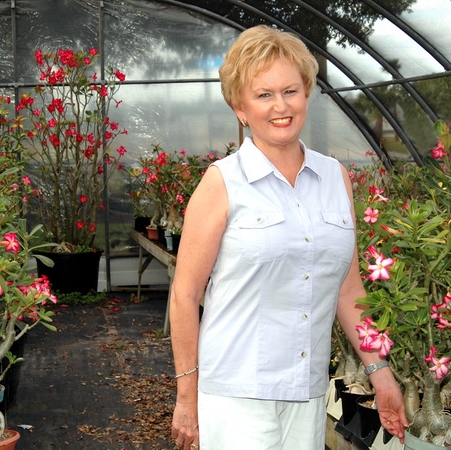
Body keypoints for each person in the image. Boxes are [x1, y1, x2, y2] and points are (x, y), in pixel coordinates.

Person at [169, 25, 408, 450]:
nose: (280, 106)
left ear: (307, 94)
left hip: (308, 390)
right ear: (240, 108)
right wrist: (187, 397)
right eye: (263, 95)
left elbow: (348, 291)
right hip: (237, 395)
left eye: (290, 91)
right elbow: (185, 294)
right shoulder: (222, 182)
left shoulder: (335, 178)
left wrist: (380, 371)